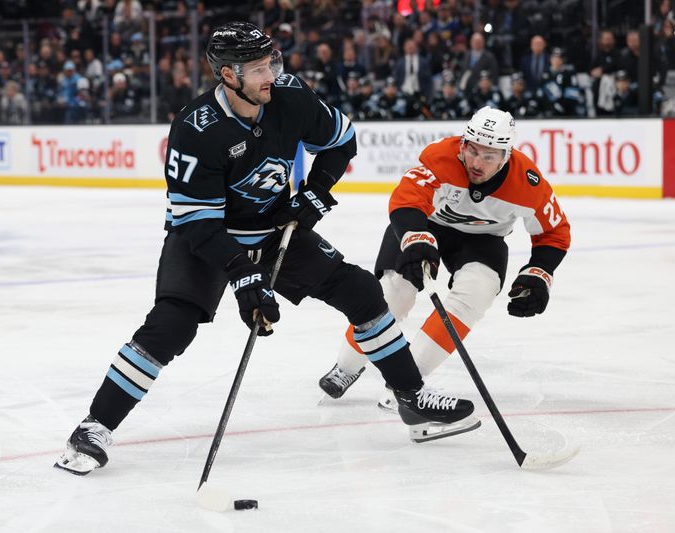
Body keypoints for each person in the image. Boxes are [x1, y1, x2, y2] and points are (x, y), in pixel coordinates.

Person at [55, 22, 476, 476]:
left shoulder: (290, 97)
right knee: (171, 327)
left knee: (363, 293)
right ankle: (94, 427)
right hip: (207, 239)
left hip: (276, 231)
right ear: (228, 76)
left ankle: (411, 399)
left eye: (271, 63)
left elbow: (342, 141)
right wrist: (243, 275)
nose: (270, 75)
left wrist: (315, 193)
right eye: (257, 69)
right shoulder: (196, 129)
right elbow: (199, 224)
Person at [318, 107, 571, 414]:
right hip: (427, 227)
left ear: (507, 155)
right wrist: (415, 237)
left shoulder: (528, 184)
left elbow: (554, 232)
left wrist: (539, 273)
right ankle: (347, 365)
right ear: (463, 143)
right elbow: (406, 198)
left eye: (489, 156)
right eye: (471, 150)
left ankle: (407, 383)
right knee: (393, 294)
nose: (476, 163)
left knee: (476, 292)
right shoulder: (442, 157)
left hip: (483, 241)